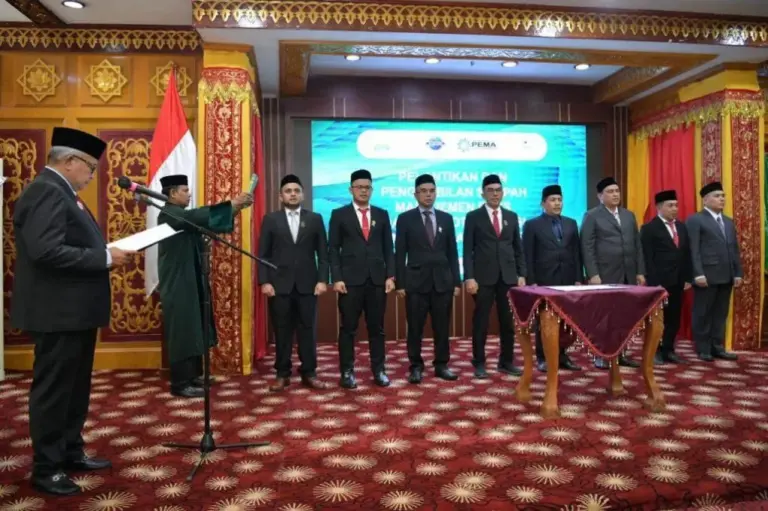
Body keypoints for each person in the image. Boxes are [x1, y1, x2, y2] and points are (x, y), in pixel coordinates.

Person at [12, 127, 135, 496]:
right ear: (69, 161)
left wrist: (103, 253)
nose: (92, 175)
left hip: (74, 312)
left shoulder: (61, 191)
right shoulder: (47, 191)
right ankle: (47, 468)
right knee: (54, 391)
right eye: (91, 168)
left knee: (75, 388)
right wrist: (104, 257)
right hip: (58, 313)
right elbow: (46, 251)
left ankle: (69, 451)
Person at [156, 174, 253, 398]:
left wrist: (235, 209)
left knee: (194, 326)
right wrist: (232, 203)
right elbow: (197, 216)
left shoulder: (182, 215)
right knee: (183, 331)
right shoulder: (169, 214)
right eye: (185, 190)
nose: (189, 194)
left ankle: (193, 375)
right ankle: (180, 383)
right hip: (178, 281)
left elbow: (208, 222)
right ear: (172, 193)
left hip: (190, 277)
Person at [258, 174, 330, 391]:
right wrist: (264, 282)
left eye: (296, 191)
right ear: (281, 196)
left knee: (308, 330)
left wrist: (322, 280)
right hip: (279, 286)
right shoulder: (271, 220)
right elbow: (263, 255)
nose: (293, 194)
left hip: (308, 285)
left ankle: (309, 372)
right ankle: (282, 374)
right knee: (282, 332)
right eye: (288, 191)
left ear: (303, 195)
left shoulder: (315, 219)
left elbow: (323, 253)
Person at [329, 169, 395, 389]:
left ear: (372, 190)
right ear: (351, 190)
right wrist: (336, 277)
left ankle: (379, 370)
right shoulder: (339, 215)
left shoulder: (382, 214)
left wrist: (390, 275)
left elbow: (388, 248)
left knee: (377, 329)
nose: (363, 191)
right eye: (359, 187)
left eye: (367, 187)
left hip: (377, 281)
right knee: (348, 329)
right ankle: (347, 371)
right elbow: (333, 249)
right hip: (349, 282)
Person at [395, 174, 461, 384]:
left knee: (442, 327)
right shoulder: (405, 218)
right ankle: (416, 366)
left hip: (442, 282)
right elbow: (400, 254)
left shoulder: (446, 218)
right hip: (415, 283)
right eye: (423, 191)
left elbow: (452, 252)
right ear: (415, 194)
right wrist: (400, 283)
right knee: (415, 328)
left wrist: (456, 282)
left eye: (432, 191)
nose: (428, 195)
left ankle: (442, 365)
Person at [463, 174, 525, 379]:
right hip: (483, 278)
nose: (495, 194)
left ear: (503, 193)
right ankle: (479, 362)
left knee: (507, 322)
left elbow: (518, 248)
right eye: (490, 191)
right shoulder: (473, 217)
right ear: (483, 194)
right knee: (481, 321)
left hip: (508, 278)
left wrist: (521, 274)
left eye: (498, 190)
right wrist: (469, 277)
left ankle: (506, 361)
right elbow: (467, 250)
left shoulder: (511, 216)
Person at [580, 176, 644, 369]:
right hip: (604, 274)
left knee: (625, 316)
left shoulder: (628, 215)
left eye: (617, 191)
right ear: (600, 196)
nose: (615, 194)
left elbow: (637, 245)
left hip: (628, 273)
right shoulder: (592, 216)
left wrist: (640, 271)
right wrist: (592, 273)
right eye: (610, 192)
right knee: (603, 317)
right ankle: (600, 354)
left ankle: (621, 353)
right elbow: (587, 246)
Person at [522, 184, 582, 372]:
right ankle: (543, 357)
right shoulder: (532, 225)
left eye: (559, 200)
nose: (557, 203)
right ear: (543, 204)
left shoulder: (571, 223)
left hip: (568, 279)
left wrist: (578, 278)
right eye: (553, 200)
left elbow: (576, 253)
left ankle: (562, 355)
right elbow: (528, 255)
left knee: (566, 320)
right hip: (544, 280)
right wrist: (531, 280)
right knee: (544, 320)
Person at [686, 181, 742, 362]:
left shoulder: (728, 221)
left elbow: (734, 249)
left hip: (726, 275)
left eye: (723, 196)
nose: (722, 199)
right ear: (705, 200)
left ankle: (717, 347)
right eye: (717, 196)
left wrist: (737, 273)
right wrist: (697, 273)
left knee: (720, 313)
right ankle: (703, 348)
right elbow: (693, 249)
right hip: (706, 276)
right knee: (703, 313)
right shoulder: (695, 220)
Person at [640, 190, 692, 364]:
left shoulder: (682, 227)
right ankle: (654, 350)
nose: (674, 209)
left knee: (674, 318)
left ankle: (668, 349)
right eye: (670, 205)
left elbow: (687, 254)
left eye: (676, 205)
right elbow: (647, 258)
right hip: (659, 282)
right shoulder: (649, 229)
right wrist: (653, 282)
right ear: (659, 207)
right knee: (657, 318)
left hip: (678, 281)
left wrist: (688, 277)